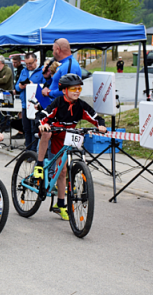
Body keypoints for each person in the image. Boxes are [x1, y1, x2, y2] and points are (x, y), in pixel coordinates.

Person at [34, 74, 106, 221]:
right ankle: (39, 165)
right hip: (53, 132)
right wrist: (43, 124)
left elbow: (95, 117)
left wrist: (101, 125)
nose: (77, 91)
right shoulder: (58, 103)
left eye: (79, 88)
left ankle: (61, 205)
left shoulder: (81, 105)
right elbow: (42, 115)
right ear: (64, 90)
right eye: (74, 89)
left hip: (66, 137)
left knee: (63, 172)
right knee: (46, 134)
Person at [14, 53, 44, 151]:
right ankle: (28, 150)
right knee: (26, 129)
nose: (28, 66)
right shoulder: (23, 71)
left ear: (36, 61)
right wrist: (20, 86)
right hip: (25, 104)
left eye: (30, 63)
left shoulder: (42, 71)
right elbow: (16, 86)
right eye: (26, 64)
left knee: (34, 129)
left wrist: (33, 85)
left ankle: (34, 151)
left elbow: (46, 86)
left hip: (36, 105)